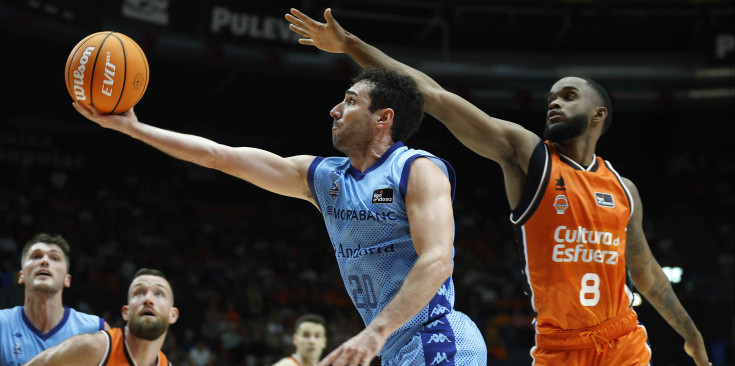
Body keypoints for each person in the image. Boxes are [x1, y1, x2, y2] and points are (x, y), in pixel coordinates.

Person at [284, 8, 713, 366]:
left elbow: (648, 276)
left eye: (568, 95)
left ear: (599, 114)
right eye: (551, 97)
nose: (555, 102)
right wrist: (351, 45)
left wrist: (691, 335)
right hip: (559, 345)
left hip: (622, 338)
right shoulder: (529, 156)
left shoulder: (623, 189)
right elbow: (431, 95)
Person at [71, 65, 487, 365]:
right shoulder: (325, 178)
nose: (335, 110)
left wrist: (374, 333)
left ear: (383, 118)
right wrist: (134, 130)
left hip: (439, 338)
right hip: (393, 351)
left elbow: (438, 259)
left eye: (350, 101)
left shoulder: (418, 169)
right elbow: (221, 157)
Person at [25, 268, 179, 366]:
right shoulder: (95, 348)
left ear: (173, 315)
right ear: (126, 312)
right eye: (139, 293)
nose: (148, 299)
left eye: (159, 294)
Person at [0, 233, 109, 365]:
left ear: (67, 279)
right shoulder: (2, 324)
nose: (44, 261)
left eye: (55, 258)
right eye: (36, 256)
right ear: (21, 276)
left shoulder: (97, 330)